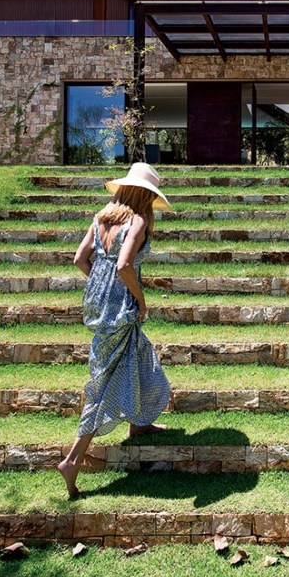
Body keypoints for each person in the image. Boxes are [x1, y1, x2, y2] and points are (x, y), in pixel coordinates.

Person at [57, 162, 172, 497]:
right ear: (143, 195)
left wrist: (100, 284)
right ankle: (73, 458)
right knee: (105, 382)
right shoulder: (136, 220)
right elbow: (124, 265)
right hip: (121, 304)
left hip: (98, 303)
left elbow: (80, 259)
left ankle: (140, 422)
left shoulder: (101, 218)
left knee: (137, 356)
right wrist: (141, 300)